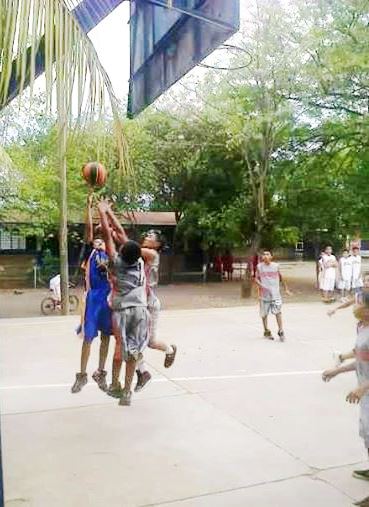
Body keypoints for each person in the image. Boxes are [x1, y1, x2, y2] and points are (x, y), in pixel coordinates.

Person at [100, 203, 177, 394]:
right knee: (132, 342)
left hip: (148, 304)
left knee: (147, 343)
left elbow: (123, 240)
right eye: (147, 235)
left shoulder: (151, 254)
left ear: (158, 244)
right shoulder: (138, 256)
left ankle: (168, 350)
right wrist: (109, 224)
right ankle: (142, 373)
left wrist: (107, 215)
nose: (146, 237)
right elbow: (121, 239)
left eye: (151, 236)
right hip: (138, 303)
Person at [97, 200, 149, 406]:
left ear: (122, 253)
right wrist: (109, 212)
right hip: (140, 310)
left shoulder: (117, 263)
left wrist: (102, 212)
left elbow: (110, 236)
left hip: (122, 312)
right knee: (134, 351)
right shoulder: (139, 261)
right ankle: (127, 392)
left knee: (120, 347)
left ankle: (115, 384)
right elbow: (118, 232)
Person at [322, 292, 369, 499]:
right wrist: (337, 370)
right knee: (366, 434)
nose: (354, 306)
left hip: (365, 389)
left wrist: (362, 387)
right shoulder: (362, 328)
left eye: (358, 303)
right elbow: (361, 358)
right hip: (365, 390)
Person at [71, 195, 112, 394]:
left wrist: (107, 212)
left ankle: (101, 372)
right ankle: (82, 374)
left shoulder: (111, 251)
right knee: (88, 337)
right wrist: (88, 207)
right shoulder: (92, 251)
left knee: (106, 337)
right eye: (95, 238)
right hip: (93, 298)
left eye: (100, 237)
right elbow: (88, 229)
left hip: (109, 298)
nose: (97, 240)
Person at [255, 250, 292, 341]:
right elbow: (256, 278)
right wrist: (261, 285)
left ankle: (280, 330)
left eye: (268, 254)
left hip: (276, 294)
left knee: (278, 312)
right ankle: (266, 330)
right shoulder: (259, 267)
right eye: (264, 254)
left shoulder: (276, 266)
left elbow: (281, 278)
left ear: (271, 257)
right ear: (262, 257)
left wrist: (286, 289)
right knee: (264, 314)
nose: (265, 256)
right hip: (264, 295)